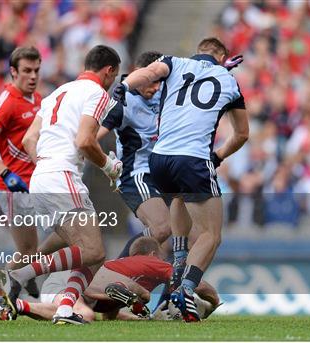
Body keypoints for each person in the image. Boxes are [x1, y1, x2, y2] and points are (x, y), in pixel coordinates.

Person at [112, 37, 249, 322]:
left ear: (198, 51)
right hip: (194, 158)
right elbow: (241, 134)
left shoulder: (174, 62)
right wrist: (219, 156)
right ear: (223, 56)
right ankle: (185, 290)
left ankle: (177, 265)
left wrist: (122, 87)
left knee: (177, 202)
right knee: (211, 235)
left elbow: (148, 74)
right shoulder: (229, 79)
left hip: (159, 159)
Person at [0, 45, 123, 325]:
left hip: (43, 175)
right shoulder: (97, 93)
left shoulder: (56, 93)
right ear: (109, 71)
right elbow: (85, 141)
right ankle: (20, 275)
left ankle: (65, 309)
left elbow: (30, 139)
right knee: (93, 251)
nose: (112, 82)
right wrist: (109, 167)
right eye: (113, 77)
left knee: (91, 253)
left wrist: (45, 163)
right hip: (62, 175)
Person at [0, 237, 220, 321]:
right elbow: (193, 280)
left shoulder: (125, 266)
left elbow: (109, 317)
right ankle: (130, 295)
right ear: (152, 255)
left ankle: (17, 305)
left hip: (78, 284)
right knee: (87, 314)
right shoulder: (153, 263)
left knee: (91, 311)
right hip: (77, 281)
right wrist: (213, 301)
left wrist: (142, 319)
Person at [0, 46, 42, 297]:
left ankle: (27, 273)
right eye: (26, 71)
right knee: (28, 251)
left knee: (36, 247)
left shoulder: (37, 99)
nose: (33, 76)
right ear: (13, 72)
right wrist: (5, 173)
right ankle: (3, 294)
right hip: (14, 188)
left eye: (36, 70)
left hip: (34, 185)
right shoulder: (7, 101)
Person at [97, 51, 172, 258]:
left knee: (184, 236)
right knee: (162, 228)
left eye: (160, 81)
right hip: (136, 173)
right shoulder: (122, 103)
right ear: (139, 74)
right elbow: (91, 137)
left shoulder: (165, 91)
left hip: (164, 174)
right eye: (153, 81)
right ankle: (113, 274)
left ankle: (167, 290)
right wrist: (105, 163)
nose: (157, 87)